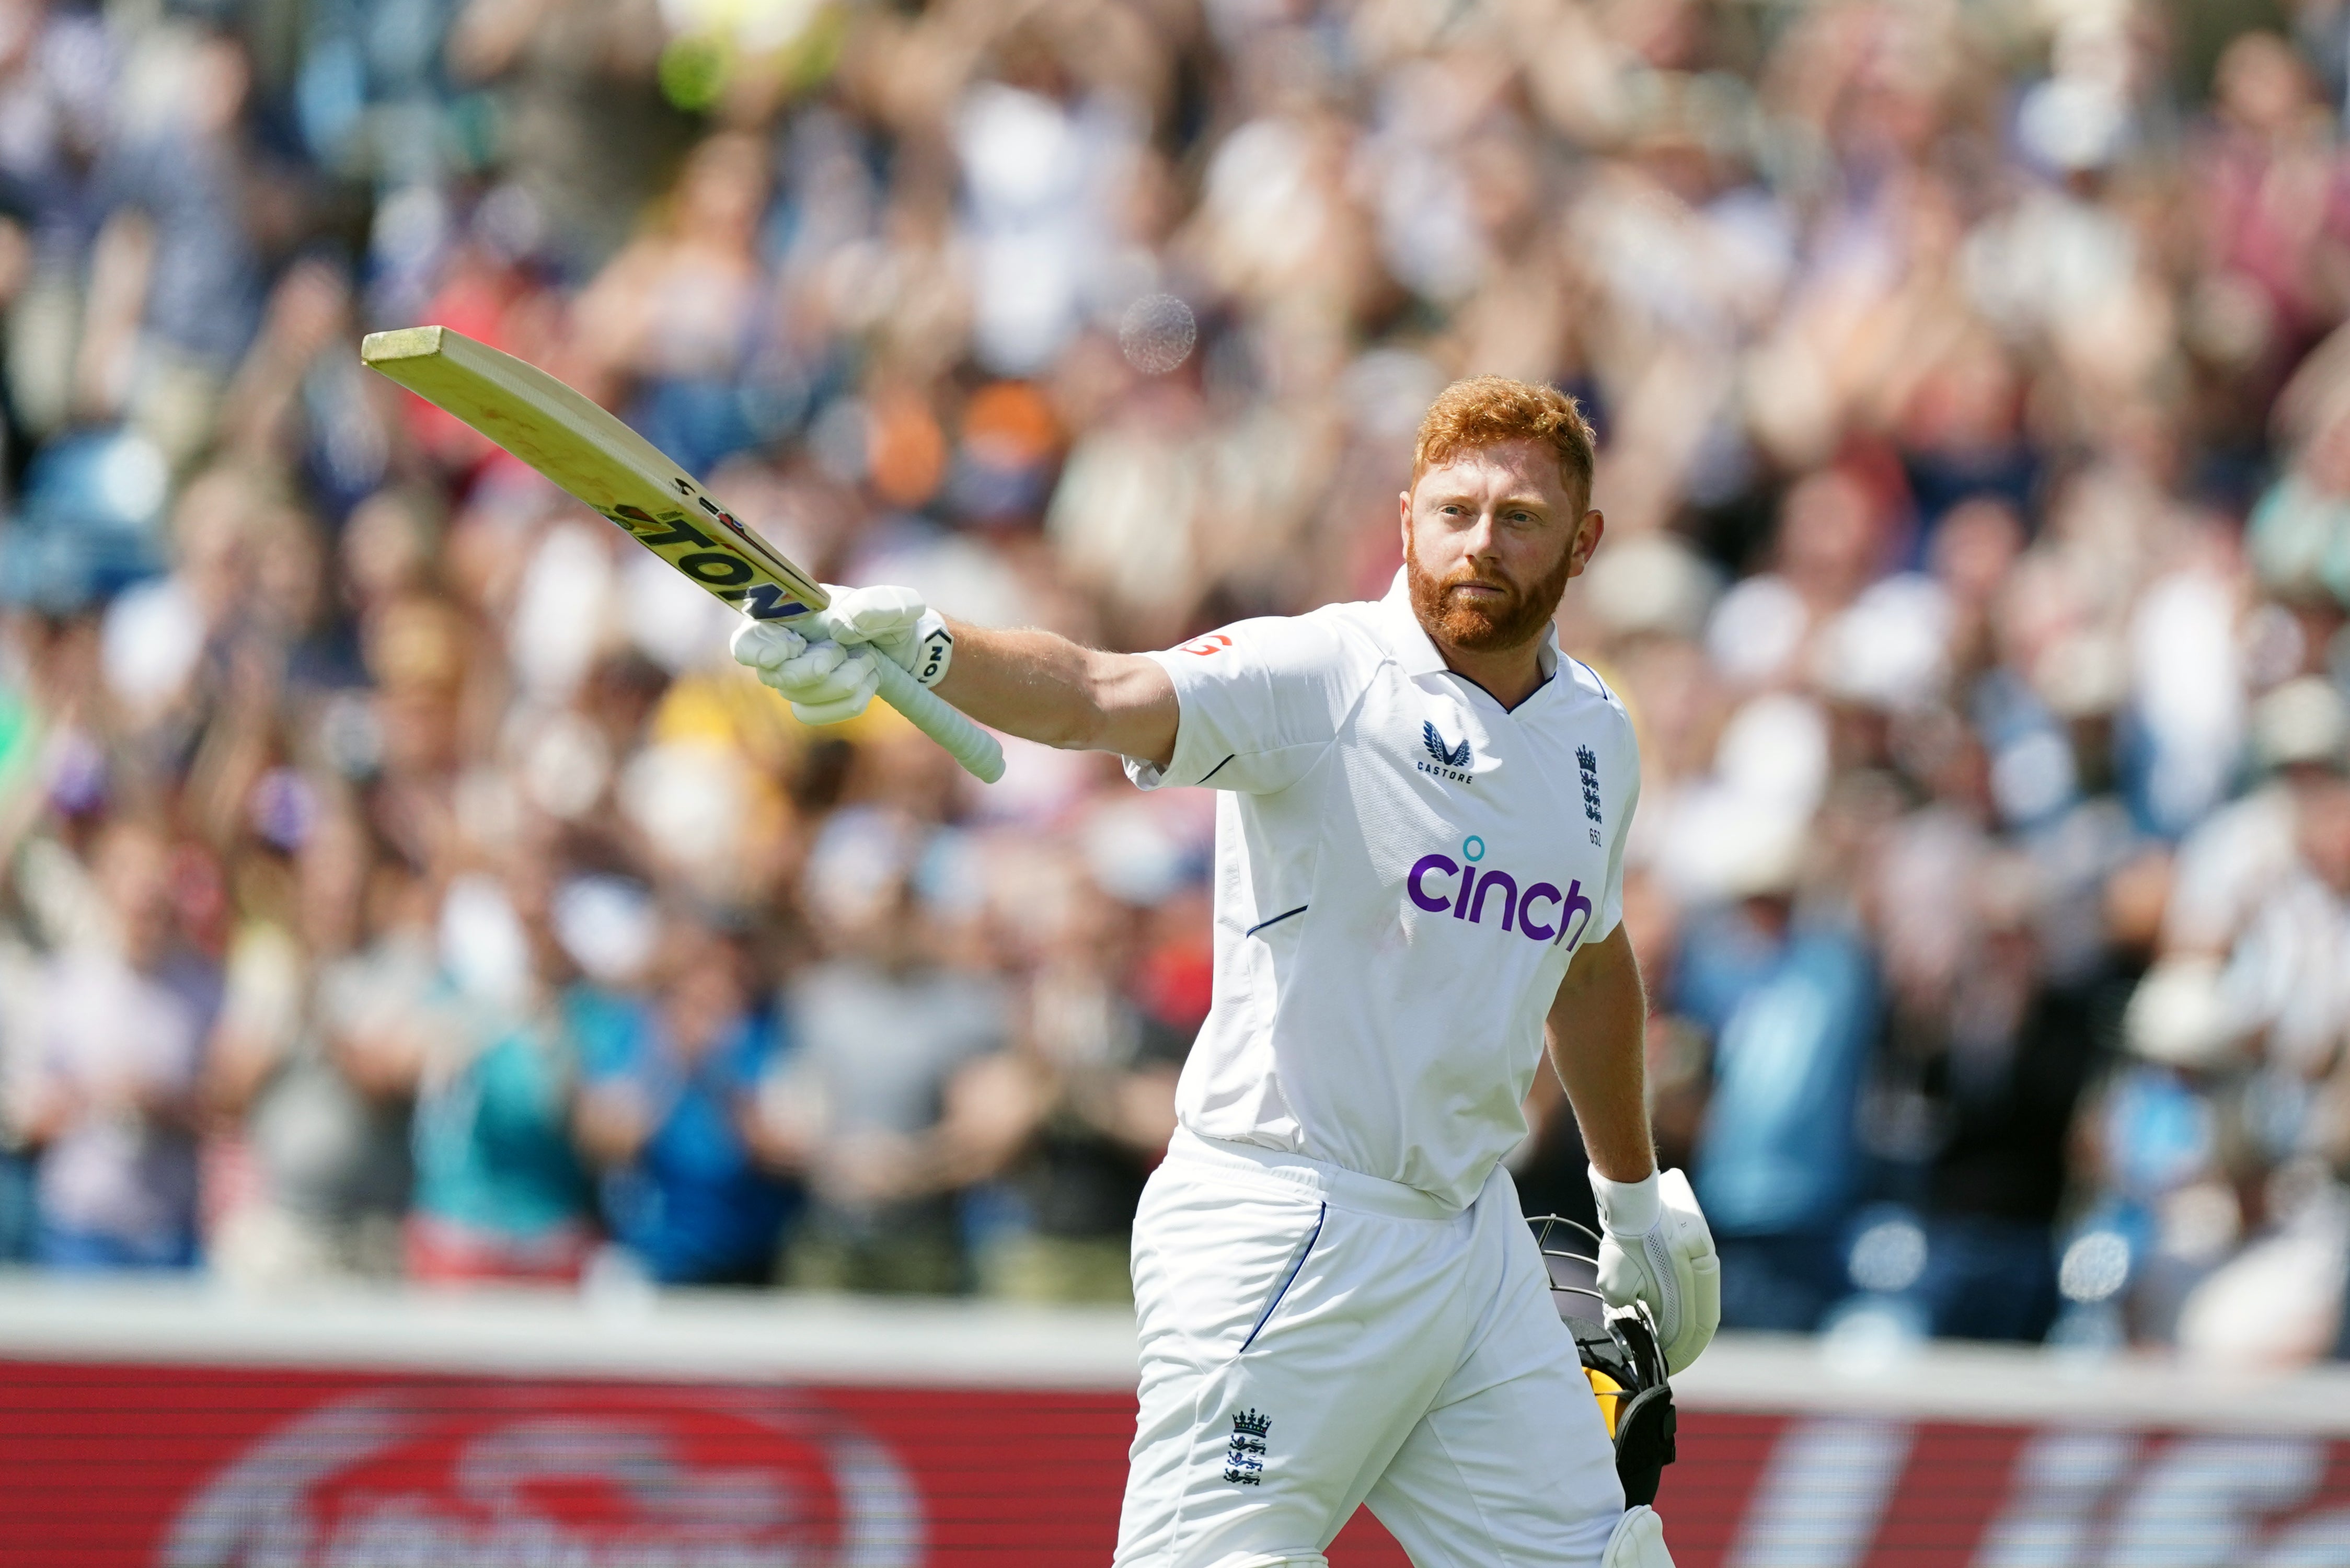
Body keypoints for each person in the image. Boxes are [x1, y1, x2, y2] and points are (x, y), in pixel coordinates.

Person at [734, 376, 1719, 1568]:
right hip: (1286, 1218)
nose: (1479, 544)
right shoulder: (1322, 674)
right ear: (1407, 517)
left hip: (1472, 1240)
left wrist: (1630, 1198)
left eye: (1518, 518)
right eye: (1453, 512)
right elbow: (1103, 691)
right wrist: (930, 649)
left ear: (1583, 541)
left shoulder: (1597, 736)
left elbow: (1591, 961)